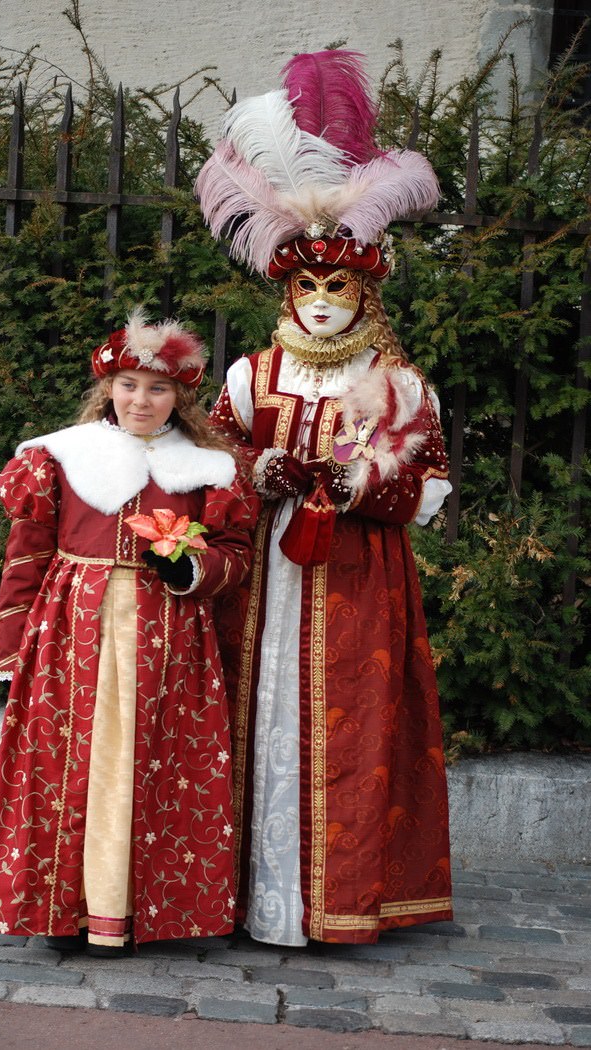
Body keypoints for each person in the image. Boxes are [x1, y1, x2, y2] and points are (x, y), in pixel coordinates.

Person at [196, 50, 453, 946]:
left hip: (357, 583)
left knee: (349, 730)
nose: (317, 301)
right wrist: (254, 471)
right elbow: (209, 461)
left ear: (365, 288)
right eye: (303, 285)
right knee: (253, 721)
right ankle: (246, 898)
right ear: (282, 286)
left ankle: (337, 902)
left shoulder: (397, 382)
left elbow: (432, 480)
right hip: (264, 580)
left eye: (335, 285)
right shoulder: (248, 374)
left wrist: (364, 480)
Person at [0, 309, 259, 957]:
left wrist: (191, 567)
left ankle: (138, 910)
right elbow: (27, 555)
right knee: (70, 763)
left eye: (158, 389)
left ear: (180, 396)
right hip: (70, 636)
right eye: (129, 385)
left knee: (156, 766)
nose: (142, 399)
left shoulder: (209, 470)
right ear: (108, 387)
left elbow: (236, 555)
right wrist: (11, 648)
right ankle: (64, 908)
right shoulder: (63, 456)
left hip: (171, 640)